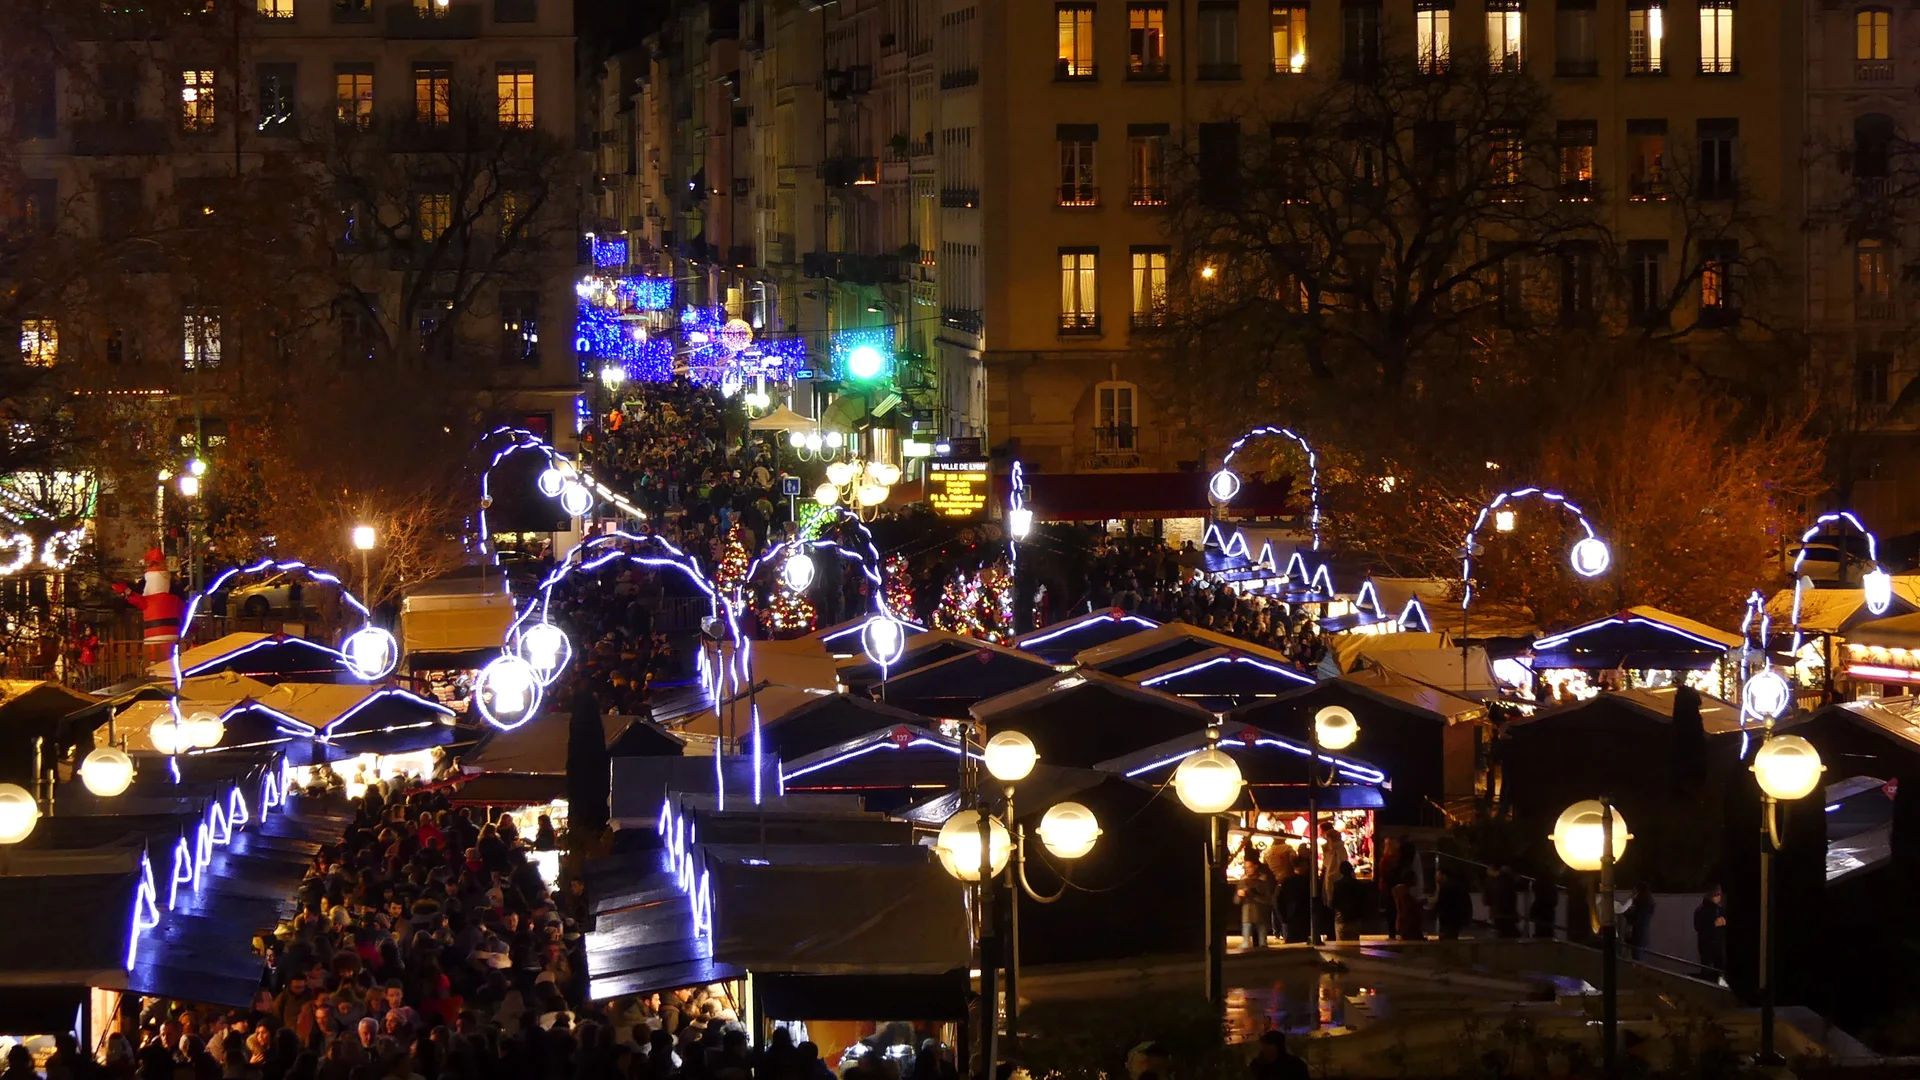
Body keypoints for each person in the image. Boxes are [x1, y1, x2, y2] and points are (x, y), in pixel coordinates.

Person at [1236, 859, 1276, 948]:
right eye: (1245, 867)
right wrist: (1239, 895)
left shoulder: (1263, 880)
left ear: (1256, 866)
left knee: (1262, 942)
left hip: (1260, 913)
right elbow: (1236, 900)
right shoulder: (1243, 880)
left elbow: (1268, 898)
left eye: (1249, 867)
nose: (1247, 870)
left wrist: (1252, 893)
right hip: (1247, 914)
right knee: (1246, 942)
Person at [1330, 861, 1370, 941]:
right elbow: (1363, 901)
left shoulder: (1337, 885)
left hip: (1341, 919)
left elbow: (1334, 902)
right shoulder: (1358, 884)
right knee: (1354, 944)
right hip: (1354, 919)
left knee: (1341, 945)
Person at [1693, 886, 1726, 979]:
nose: (1719, 897)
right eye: (1716, 895)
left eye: (1719, 895)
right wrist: (1713, 924)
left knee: (1720, 968)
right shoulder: (1701, 910)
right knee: (1707, 968)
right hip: (1706, 944)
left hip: (1718, 944)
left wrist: (1724, 922)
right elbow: (1698, 926)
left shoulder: (1720, 910)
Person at [1431, 868, 1473, 939]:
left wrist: (1435, 912)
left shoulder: (1447, 887)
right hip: (1454, 920)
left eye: (1438, 875)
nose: (1436, 877)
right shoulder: (1454, 886)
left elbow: (1442, 904)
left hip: (1449, 920)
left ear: (1444, 875)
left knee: (1448, 939)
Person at [1484, 865, 1521, 938]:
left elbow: (1487, 901)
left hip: (1497, 915)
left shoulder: (1492, 882)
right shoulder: (1510, 882)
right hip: (1509, 916)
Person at [1625, 883, 1658, 961]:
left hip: (1637, 936)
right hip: (1644, 936)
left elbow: (1634, 920)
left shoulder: (1640, 905)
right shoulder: (1648, 904)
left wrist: (1627, 913)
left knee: (1637, 960)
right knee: (1640, 959)